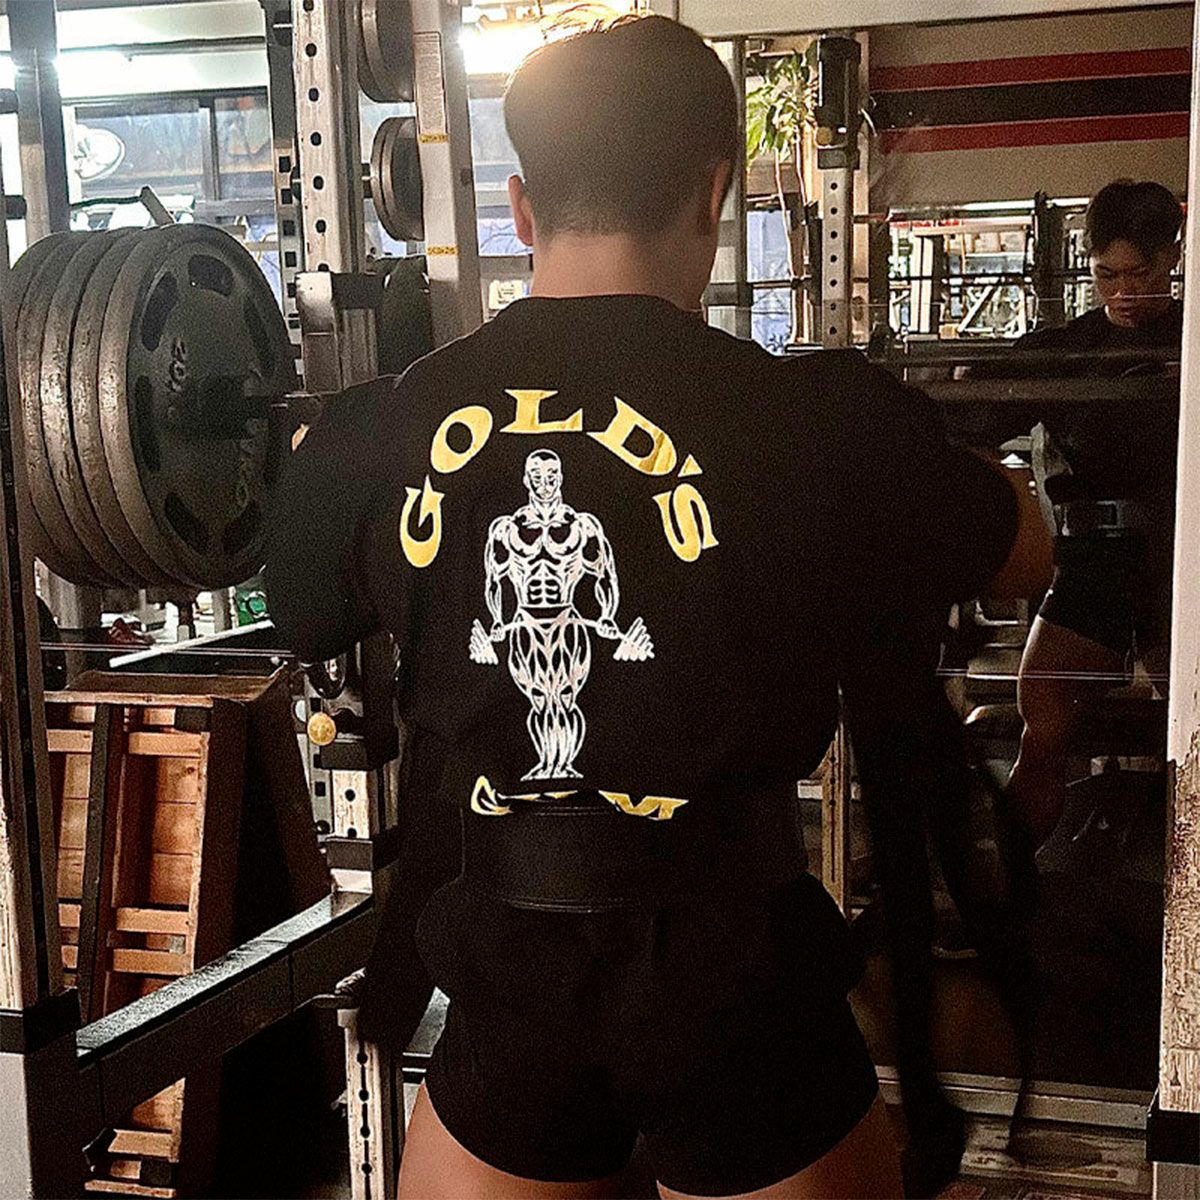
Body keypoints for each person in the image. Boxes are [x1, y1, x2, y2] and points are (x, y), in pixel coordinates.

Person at [267, 16, 1029, 1198]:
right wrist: (963, 468)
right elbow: (1022, 554)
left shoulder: (379, 429)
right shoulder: (823, 422)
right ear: (714, 192)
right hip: (737, 985)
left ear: (522, 208)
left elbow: (302, 611)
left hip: (512, 979)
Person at [985, 180, 1182, 848]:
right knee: (1041, 710)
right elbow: (975, 411)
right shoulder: (1068, 350)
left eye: (1139, 274)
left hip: (1178, 565)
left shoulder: (1192, 342)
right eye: (1106, 276)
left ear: (1172, 256)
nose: (1123, 292)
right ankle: (1008, 885)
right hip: (1094, 564)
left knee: (1191, 724)